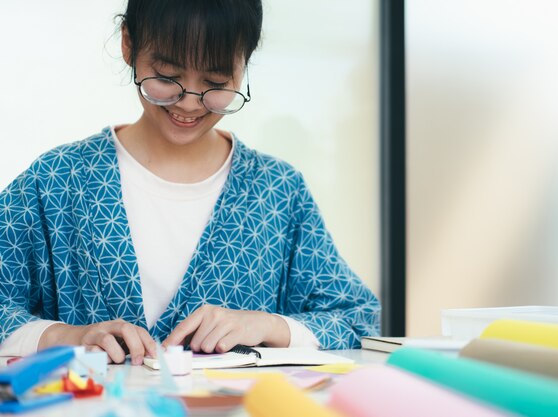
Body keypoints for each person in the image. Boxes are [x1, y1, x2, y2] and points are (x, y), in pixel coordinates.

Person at [0, 0, 380, 365]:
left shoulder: (277, 192)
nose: (189, 103)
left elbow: (361, 320)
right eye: (167, 77)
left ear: (244, 64)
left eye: (215, 82)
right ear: (128, 44)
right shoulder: (56, 181)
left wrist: (266, 325)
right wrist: (64, 336)